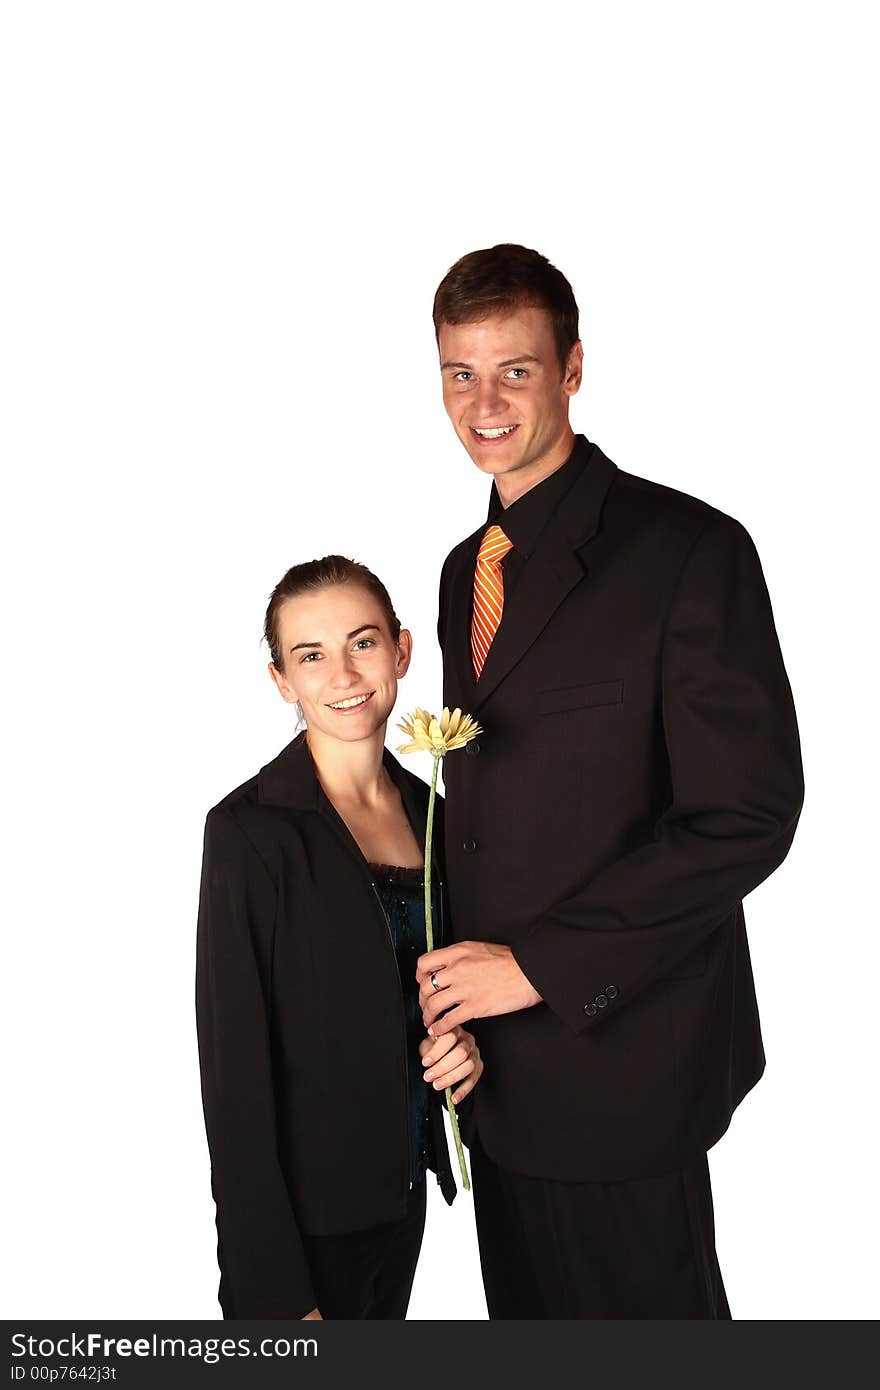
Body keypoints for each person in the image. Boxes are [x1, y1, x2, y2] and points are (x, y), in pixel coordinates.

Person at [417, 243, 804, 1319]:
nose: (483, 402)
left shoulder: (689, 549)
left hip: (623, 1061)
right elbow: (502, 805)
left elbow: (746, 815)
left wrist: (537, 968)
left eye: (516, 370)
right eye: (459, 371)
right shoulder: (465, 570)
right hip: (495, 1077)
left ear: (573, 367)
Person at [196, 555, 482, 1320]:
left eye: (363, 643)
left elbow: (454, 990)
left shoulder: (440, 817)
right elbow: (234, 1082)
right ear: (281, 681)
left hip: (403, 1203)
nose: (343, 673)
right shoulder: (247, 831)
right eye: (310, 655)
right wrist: (274, 1287)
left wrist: (465, 1044)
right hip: (301, 1233)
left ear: (402, 650)